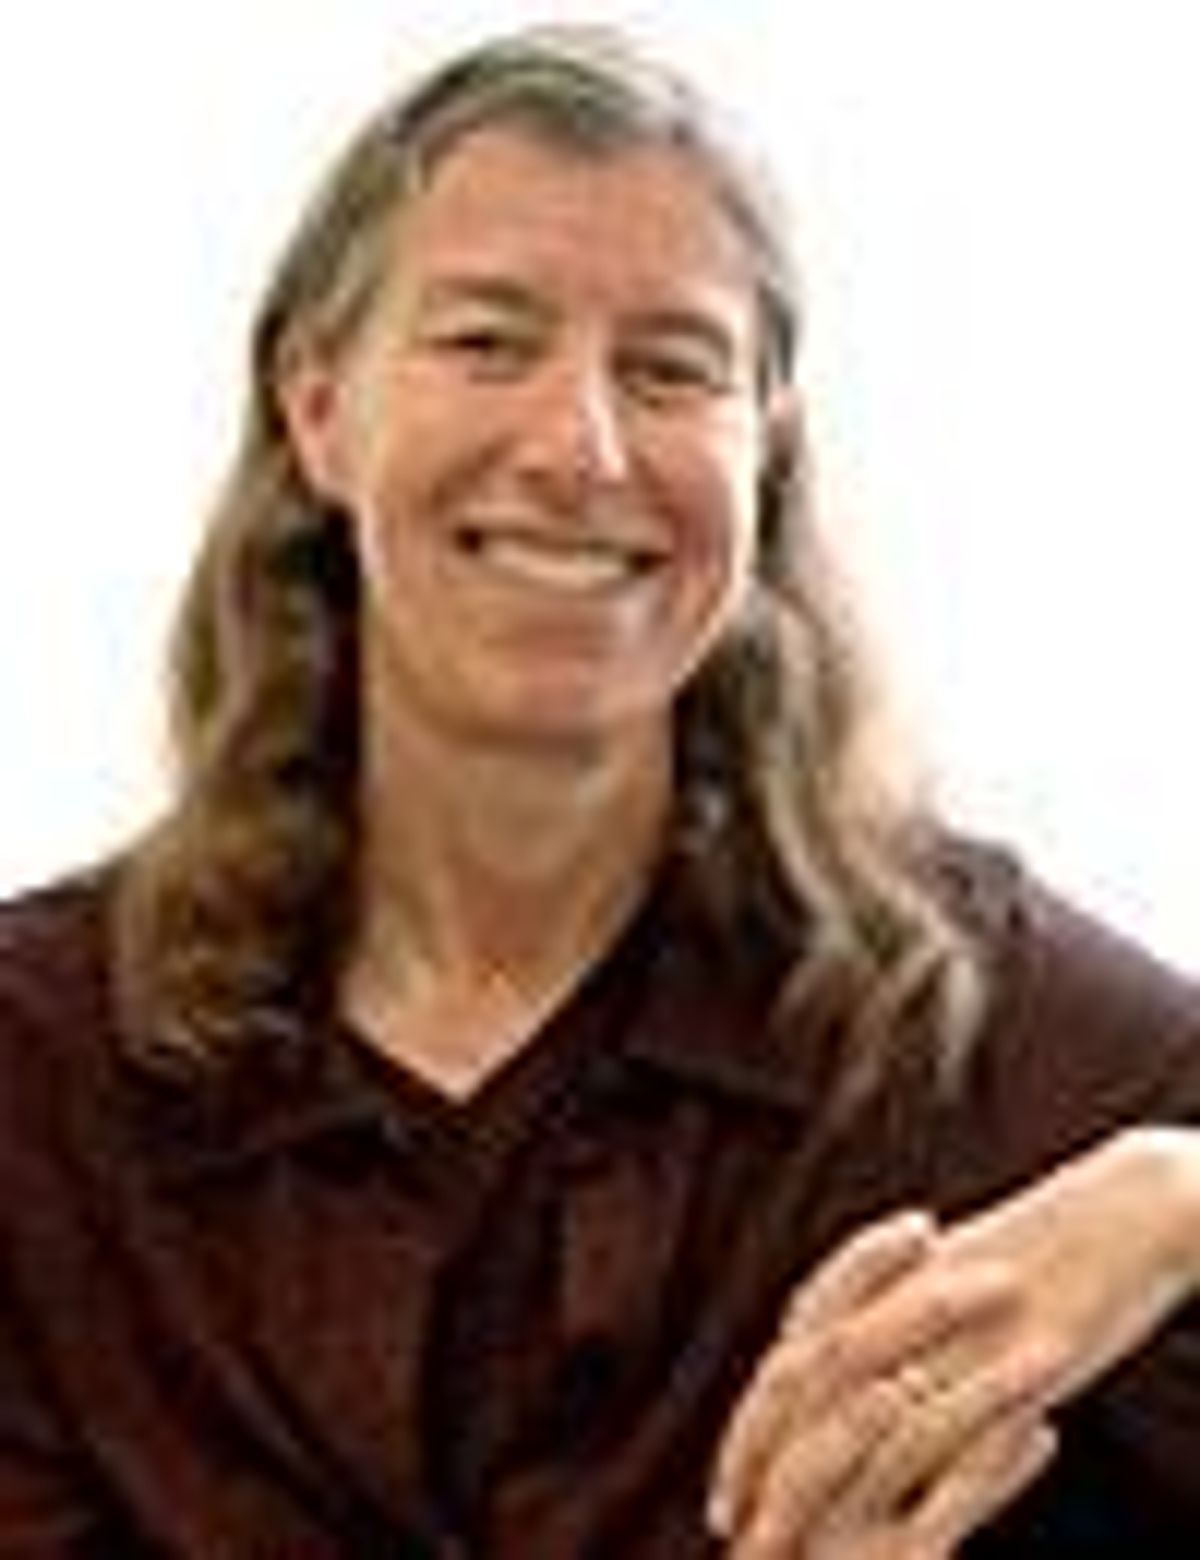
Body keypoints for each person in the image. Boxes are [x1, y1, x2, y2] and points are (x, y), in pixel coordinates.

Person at [1, 22, 1198, 1558]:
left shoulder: (966, 1017)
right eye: (487, 342)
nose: (582, 447)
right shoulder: (39, 1076)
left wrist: (1174, 1196)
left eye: (672, 368)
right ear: (318, 409)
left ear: (764, 450)